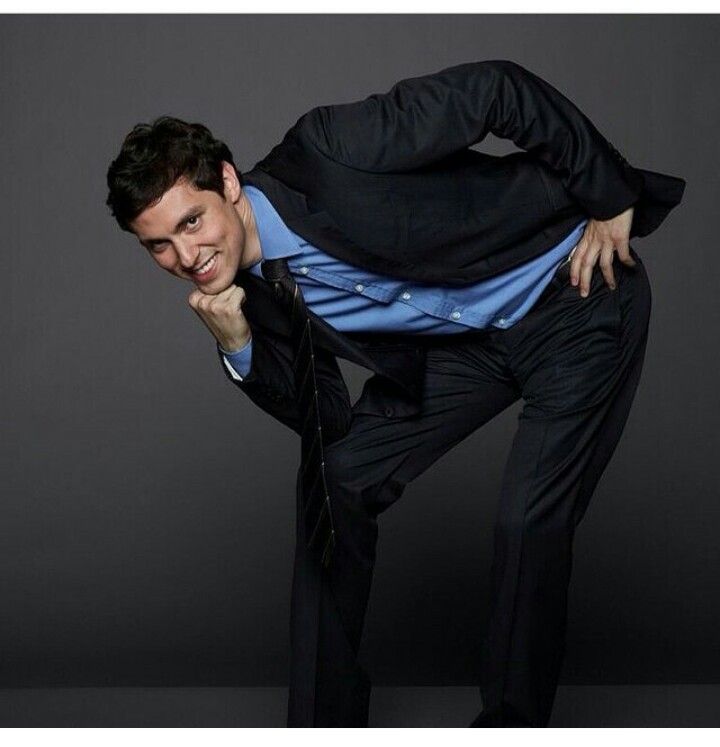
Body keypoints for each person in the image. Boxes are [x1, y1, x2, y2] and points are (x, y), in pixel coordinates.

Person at [105, 59, 685, 727]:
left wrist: (609, 194)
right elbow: (324, 417)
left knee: (528, 517)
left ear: (228, 183)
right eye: (159, 246)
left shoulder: (329, 150)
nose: (188, 255)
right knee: (336, 475)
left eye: (191, 222)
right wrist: (240, 343)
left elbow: (498, 89)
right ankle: (325, 725)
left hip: (575, 294)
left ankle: (512, 724)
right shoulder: (245, 293)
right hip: (469, 347)